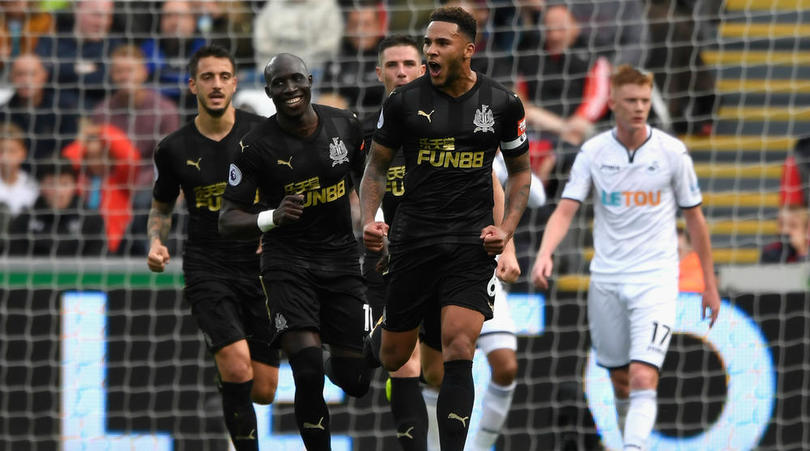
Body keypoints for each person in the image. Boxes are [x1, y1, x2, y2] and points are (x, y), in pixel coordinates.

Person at [360, 7, 531, 451]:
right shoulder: (403, 103)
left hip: (469, 244)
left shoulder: (502, 103)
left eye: (441, 44)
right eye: (428, 44)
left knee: (459, 348)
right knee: (395, 357)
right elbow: (375, 169)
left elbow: (520, 174)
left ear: (468, 50)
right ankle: (367, 341)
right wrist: (369, 221)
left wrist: (506, 232)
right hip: (413, 241)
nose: (430, 51)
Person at [531, 65, 721, 450]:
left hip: (656, 279)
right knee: (620, 379)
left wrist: (709, 285)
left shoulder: (672, 153)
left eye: (645, 101)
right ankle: (625, 442)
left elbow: (696, 222)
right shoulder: (594, 152)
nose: (639, 108)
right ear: (613, 103)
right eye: (631, 101)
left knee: (641, 377)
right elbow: (565, 209)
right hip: (607, 280)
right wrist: (545, 253)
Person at [218, 53, 372, 451]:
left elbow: (369, 177)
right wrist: (272, 216)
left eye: (295, 80)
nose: (289, 89)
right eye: (279, 84)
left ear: (309, 80)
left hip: (340, 259)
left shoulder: (346, 124)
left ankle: (330, 358)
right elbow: (227, 218)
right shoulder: (254, 146)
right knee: (305, 374)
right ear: (268, 91)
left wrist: (376, 222)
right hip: (287, 264)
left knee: (355, 381)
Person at [146, 45, 278, 451]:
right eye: (208, 77)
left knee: (265, 390)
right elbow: (162, 207)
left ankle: (228, 376)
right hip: (208, 267)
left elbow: (287, 193)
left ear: (236, 83)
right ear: (193, 85)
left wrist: (276, 237)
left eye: (224, 76)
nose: (217, 84)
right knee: (238, 368)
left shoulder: (264, 134)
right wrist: (156, 242)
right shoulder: (173, 148)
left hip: (261, 267)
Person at [0, 122, 38, 219]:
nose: (5, 157)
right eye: (1, 151)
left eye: (12, 151)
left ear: (23, 153)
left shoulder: (33, 187)